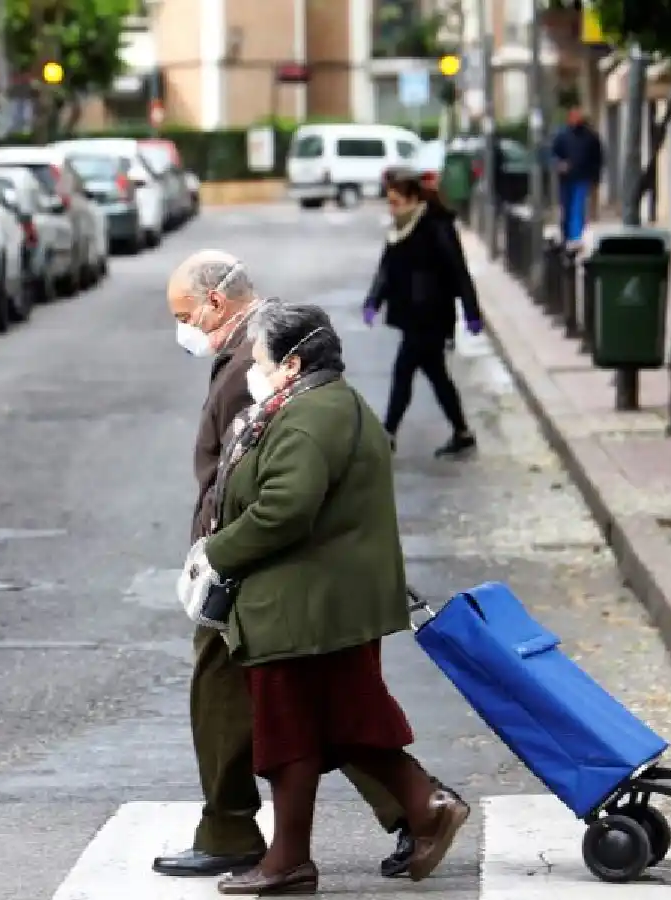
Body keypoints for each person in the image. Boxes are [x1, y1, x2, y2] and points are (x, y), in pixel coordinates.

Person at [157, 250, 423, 880]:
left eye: (184, 314)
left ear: (215, 303)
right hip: (274, 573)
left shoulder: (274, 384)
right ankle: (404, 811)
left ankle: (408, 810)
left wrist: (216, 553)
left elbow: (262, 492)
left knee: (294, 711)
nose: (182, 329)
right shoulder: (261, 370)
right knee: (311, 710)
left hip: (264, 575)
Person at [194, 300, 470, 895]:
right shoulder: (320, 404)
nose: (255, 370)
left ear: (291, 364)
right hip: (322, 599)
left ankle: (292, 860)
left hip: (305, 604)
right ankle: (425, 810)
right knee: (341, 724)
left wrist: (216, 552)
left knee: (292, 730)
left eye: (263, 360)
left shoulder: (311, 415)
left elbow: (284, 510)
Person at [363, 167, 482, 457]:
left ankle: (387, 433)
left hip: (431, 314)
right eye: (389, 202)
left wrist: (471, 311)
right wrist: (373, 300)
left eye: (396, 202)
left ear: (413, 198)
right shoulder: (400, 228)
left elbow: (458, 271)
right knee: (436, 374)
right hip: (411, 313)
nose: (392, 208)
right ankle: (462, 431)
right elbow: (387, 270)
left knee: (403, 371)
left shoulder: (436, 226)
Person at [550, 106, 605, 244]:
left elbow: (598, 158)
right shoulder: (562, 135)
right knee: (566, 207)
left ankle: (575, 237)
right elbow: (553, 154)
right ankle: (567, 235)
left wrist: (595, 177)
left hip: (582, 177)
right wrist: (559, 164)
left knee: (578, 207)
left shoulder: (590, 136)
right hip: (565, 178)